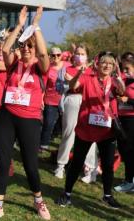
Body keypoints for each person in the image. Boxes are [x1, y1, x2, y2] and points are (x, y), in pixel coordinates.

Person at [0, 6, 52, 221]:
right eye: (23, 46)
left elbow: (42, 53)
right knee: (3, 161)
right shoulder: (13, 64)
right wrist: (20, 26)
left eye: (29, 47)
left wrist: (36, 27)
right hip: (7, 116)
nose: (26, 50)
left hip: (30, 119)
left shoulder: (41, 68)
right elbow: (5, 50)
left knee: (30, 164)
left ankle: (38, 199)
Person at [56, 52, 125, 208]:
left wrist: (120, 80)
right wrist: (80, 72)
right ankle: (66, 193)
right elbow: (73, 86)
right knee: (77, 162)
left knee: (107, 165)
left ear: (114, 67)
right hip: (86, 128)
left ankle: (107, 195)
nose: (107, 66)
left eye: (110, 64)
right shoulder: (88, 78)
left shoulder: (113, 82)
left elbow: (121, 92)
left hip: (107, 131)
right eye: (103, 63)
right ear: (97, 64)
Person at [55, 45, 98, 181]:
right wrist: (73, 79)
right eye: (77, 53)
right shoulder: (68, 69)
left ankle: (90, 169)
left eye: (83, 53)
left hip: (88, 102)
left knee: (90, 135)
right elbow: (65, 86)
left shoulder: (92, 71)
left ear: (87, 56)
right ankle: (61, 165)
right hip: (72, 100)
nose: (80, 56)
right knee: (69, 133)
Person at [114, 52, 134, 192]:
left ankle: (129, 181)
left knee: (129, 151)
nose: (125, 72)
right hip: (121, 118)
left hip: (132, 120)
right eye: (123, 69)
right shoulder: (123, 81)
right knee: (123, 150)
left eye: (128, 69)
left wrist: (129, 100)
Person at [40, 47, 65, 150]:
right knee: (48, 123)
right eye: (53, 55)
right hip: (50, 100)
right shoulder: (47, 68)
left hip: (65, 100)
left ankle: (59, 142)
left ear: (61, 55)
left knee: (64, 125)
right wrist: (41, 99)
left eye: (58, 55)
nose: (56, 57)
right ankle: (43, 144)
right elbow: (43, 85)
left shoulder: (67, 66)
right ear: (49, 56)